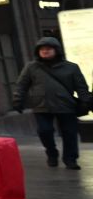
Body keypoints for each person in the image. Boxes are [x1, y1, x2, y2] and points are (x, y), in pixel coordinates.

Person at [12, 36, 90, 169]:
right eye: (42, 49)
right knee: (44, 131)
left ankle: (70, 159)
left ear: (56, 50)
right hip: (41, 105)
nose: (45, 51)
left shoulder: (71, 67)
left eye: (48, 49)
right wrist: (18, 101)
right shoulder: (31, 67)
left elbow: (81, 87)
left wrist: (85, 101)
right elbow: (21, 85)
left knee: (69, 133)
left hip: (65, 105)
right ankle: (51, 152)